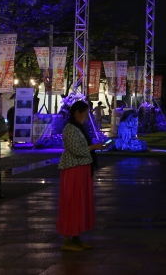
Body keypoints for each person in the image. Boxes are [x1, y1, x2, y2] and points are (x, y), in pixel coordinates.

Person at [57, 100, 103, 251]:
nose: (86, 117)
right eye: (85, 113)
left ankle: (76, 237)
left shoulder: (78, 128)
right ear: (77, 113)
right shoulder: (70, 129)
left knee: (79, 203)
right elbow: (76, 150)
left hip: (82, 168)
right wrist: (94, 147)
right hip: (73, 169)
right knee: (71, 202)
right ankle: (67, 240)